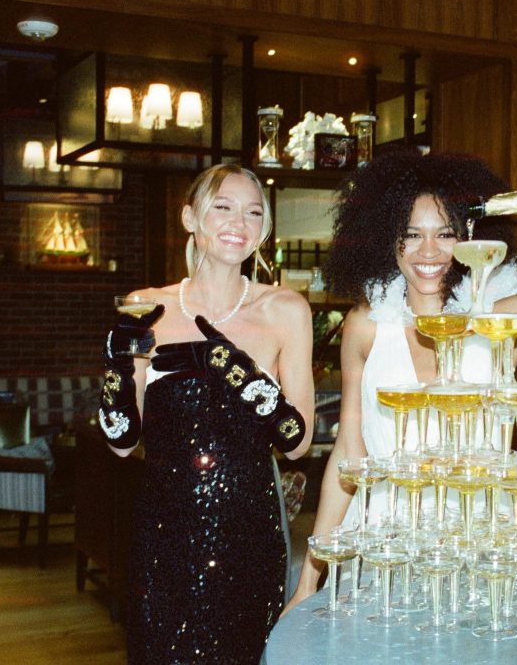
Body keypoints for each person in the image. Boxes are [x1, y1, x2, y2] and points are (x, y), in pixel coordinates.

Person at [282, 149, 517, 613]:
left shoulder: (502, 320)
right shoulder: (365, 328)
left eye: (445, 234)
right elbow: (348, 459)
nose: (429, 251)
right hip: (383, 545)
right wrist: (307, 582)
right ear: (386, 239)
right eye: (411, 235)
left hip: (484, 547)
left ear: (469, 236)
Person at [98, 163, 315, 664]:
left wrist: (235, 370)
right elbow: (121, 440)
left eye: (254, 211)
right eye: (223, 206)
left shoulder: (285, 309)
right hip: (163, 532)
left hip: (251, 534)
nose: (239, 221)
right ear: (190, 217)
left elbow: (298, 441)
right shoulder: (145, 305)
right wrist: (115, 370)